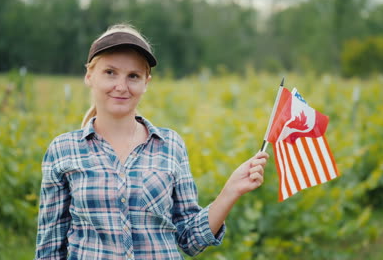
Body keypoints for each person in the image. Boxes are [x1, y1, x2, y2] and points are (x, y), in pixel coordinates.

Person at [35, 23, 269, 260]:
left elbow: (189, 239)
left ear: (146, 82)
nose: (121, 86)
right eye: (110, 72)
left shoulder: (170, 146)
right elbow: (50, 248)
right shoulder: (63, 151)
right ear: (89, 76)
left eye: (133, 76)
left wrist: (230, 191)